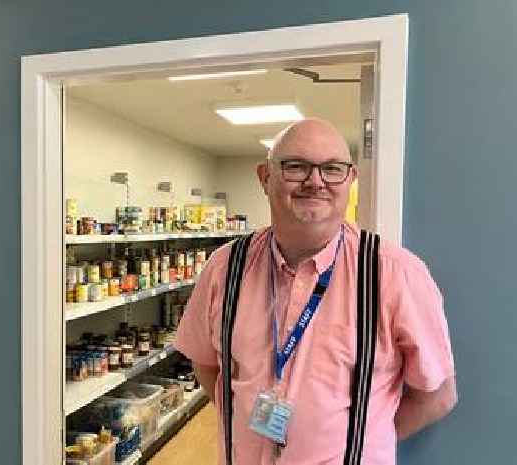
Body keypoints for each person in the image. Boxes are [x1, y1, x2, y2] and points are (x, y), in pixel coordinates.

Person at [174, 119, 457, 465]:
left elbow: (437, 397)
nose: (315, 181)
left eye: (332, 169)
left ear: (350, 179)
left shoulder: (396, 274)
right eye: (296, 166)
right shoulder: (223, 268)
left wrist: (365, 440)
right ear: (265, 177)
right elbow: (206, 365)